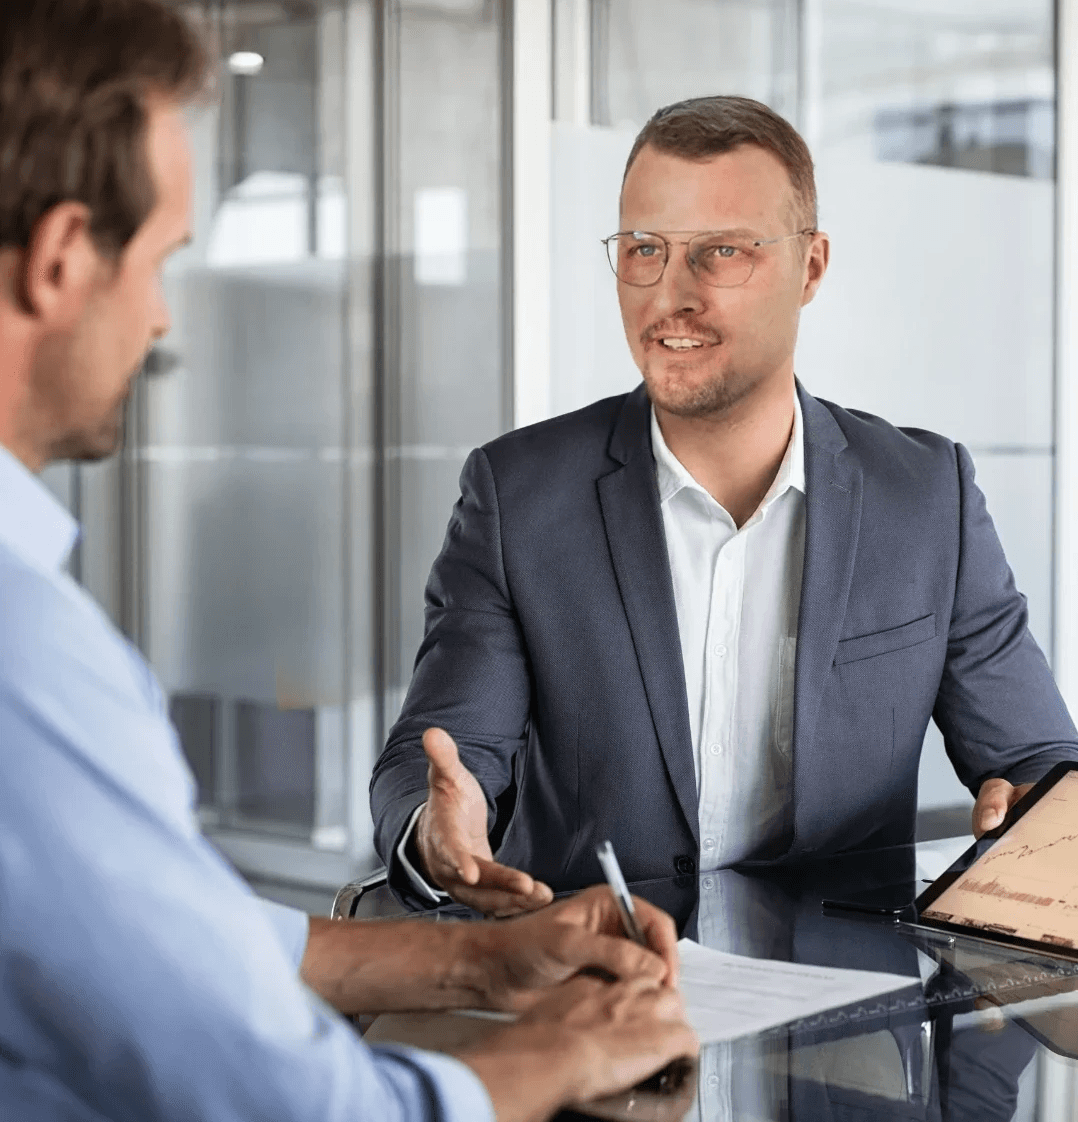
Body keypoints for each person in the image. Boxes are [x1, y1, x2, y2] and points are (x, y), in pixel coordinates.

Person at [0, 3, 698, 1120]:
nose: (163, 319)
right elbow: (298, 1104)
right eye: (160, 261)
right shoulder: (24, 659)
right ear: (61, 260)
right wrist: (559, 1057)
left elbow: (156, 935)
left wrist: (472, 962)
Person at [370, 94, 1078, 916]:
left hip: (848, 1011)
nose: (671, 295)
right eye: (644, 249)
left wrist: (1039, 816)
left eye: (721, 253)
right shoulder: (518, 497)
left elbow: (1036, 757)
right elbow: (449, 757)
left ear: (811, 268)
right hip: (598, 995)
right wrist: (437, 830)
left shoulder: (926, 497)